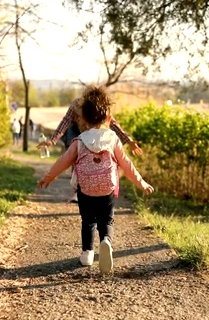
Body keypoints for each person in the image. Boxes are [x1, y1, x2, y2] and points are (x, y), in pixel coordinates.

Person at [37, 85, 154, 273]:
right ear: (108, 117)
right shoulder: (113, 139)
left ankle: (87, 253)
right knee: (106, 220)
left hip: (85, 189)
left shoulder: (79, 140)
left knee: (88, 220)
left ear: (83, 118)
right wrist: (142, 183)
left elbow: (63, 162)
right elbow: (126, 164)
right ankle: (106, 241)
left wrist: (48, 177)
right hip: (107, 187)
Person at [38, 86, 143, 203]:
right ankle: (78, 188)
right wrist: (52, 140)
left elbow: (113, 123)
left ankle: (97, 182)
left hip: (96, 132)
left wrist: (128, 140)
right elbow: (65, 122)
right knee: (74, 155)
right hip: (77, 132)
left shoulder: (103, 108)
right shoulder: (76, 105)